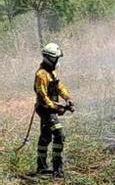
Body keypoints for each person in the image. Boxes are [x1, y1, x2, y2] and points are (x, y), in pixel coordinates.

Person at [33, 43, 74, 177]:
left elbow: (59, 86)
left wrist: (67, 98)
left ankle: (41, 167)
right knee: (59, 134)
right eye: (56, 58)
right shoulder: (41, 75)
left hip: (51, 109)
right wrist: (58, 107)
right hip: (45, 110)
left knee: (45, 137)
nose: (58, 61)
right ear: (50, 58)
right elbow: (43, 97)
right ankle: (57, 167)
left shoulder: (51, 73)